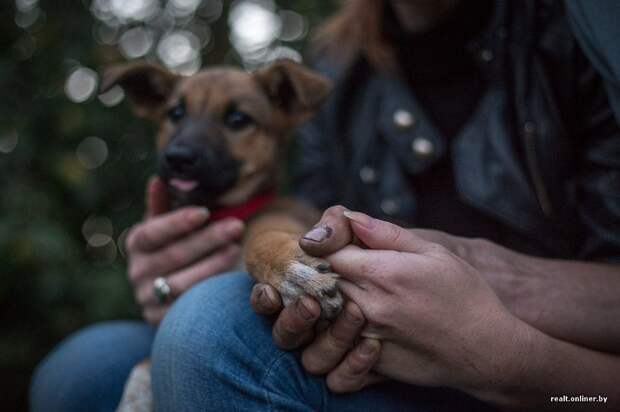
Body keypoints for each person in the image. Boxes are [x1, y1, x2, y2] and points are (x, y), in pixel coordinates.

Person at [31, 0, 620, 411]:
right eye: (177, 118)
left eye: (235, 121)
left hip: (550, 373)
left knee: (209, 330)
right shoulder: (335, 65)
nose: (189, 143)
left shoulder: (588, 29)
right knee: (81, 367)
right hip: (363, 352)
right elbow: (303, 226)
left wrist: (502, 329)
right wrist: (167, 282)